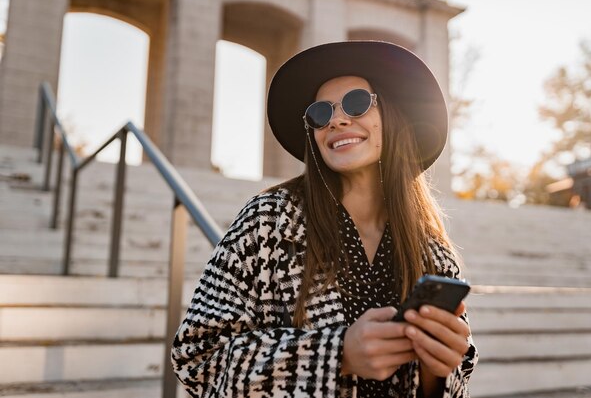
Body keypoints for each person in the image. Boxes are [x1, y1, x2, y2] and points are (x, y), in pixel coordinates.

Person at [171, 41, 478, 398]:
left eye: (357, 102)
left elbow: (455, 378)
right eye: (319, 113)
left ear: (392, 115)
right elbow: (197, 359)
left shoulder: (433, 249)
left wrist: (435, 370)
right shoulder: (268, 221)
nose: (336, 119)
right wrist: (338, 354)